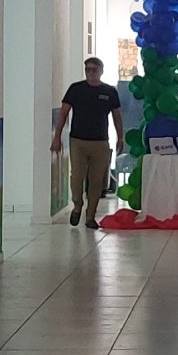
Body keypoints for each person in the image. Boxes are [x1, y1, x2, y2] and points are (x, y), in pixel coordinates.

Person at [52, 57, 124, 228]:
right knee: (77, 176)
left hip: (100, 142)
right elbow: (63, 113)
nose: (90, 73)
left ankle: (90, 216)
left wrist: (120, 137)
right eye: (88, 69)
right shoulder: (76, 89)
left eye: (94, 69)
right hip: (78, 141)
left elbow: (117, 116)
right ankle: (77, 205)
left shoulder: (110, 92)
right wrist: (57, 137)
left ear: (101, 71)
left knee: (96, 181)